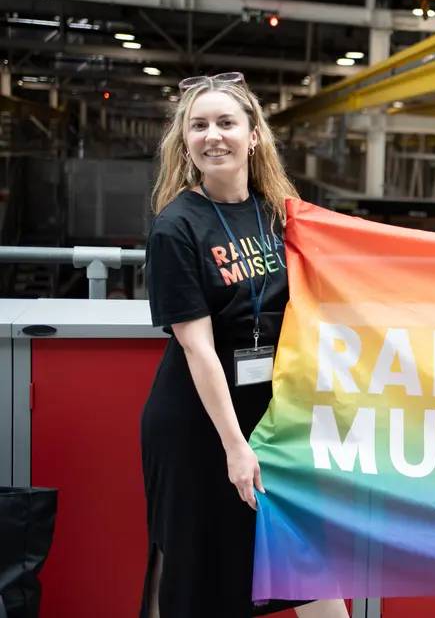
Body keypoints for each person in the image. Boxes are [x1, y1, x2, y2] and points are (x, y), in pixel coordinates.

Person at [140, 72, 350, 618]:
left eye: (227, 123)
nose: (214, 135)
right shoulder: (176, 227)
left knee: (309, 559)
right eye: (199, 124)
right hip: (202, 426)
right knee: (199, 573)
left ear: (253, 135)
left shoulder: (280, 211)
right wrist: (235, 446)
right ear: (183, 140)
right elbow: (198, 349)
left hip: (270, 419)